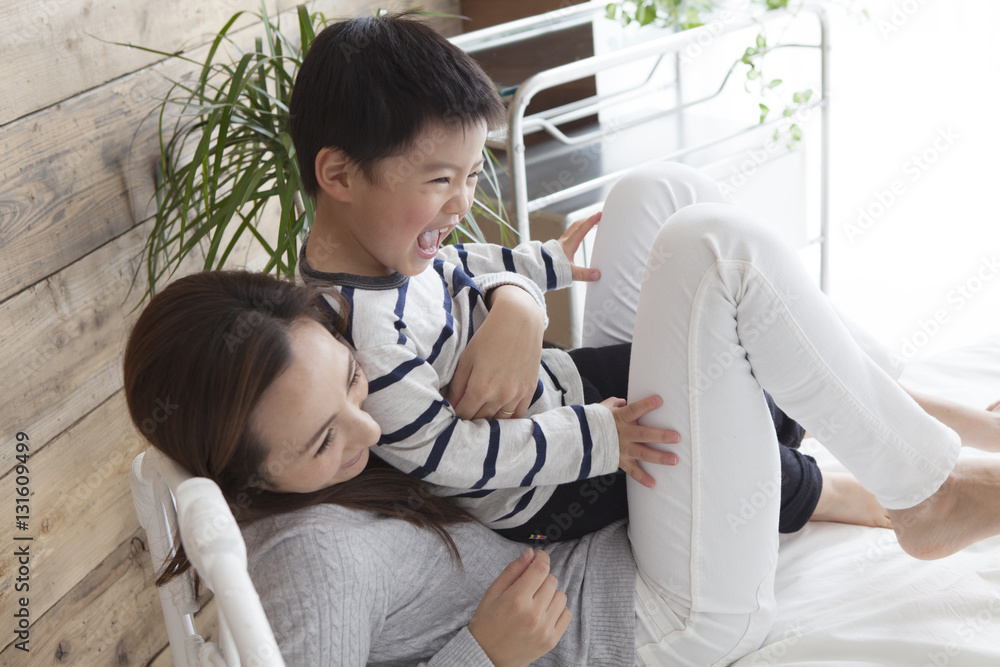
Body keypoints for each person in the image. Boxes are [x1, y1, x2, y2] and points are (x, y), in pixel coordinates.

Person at [123, 211, 1000, 665]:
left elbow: (452, 276)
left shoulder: (364, 397)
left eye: (353, 381)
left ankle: (911, 446)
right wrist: (483, 653)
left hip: (603, 515)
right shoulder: (307, 565)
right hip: (646, 616)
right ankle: (930, 495)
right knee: (713, 253)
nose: (369, 425)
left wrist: (520, 301)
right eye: (323, 440)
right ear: (249, 477)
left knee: (654, 202)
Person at [283, 12, 889, 544]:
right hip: (544, 488)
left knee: (723, 369)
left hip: (562, 386)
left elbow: (458, 267)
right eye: (441, 180)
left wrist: (539, 266)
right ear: (338, 175)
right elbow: (453, 456)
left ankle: (794, 426)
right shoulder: (361, 337)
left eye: (472, 176)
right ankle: (827, 495)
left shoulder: (388, 255)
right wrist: (602, 438)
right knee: (697, 440)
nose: (461, 204)